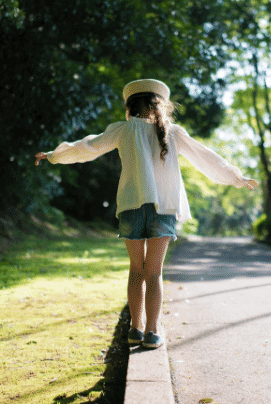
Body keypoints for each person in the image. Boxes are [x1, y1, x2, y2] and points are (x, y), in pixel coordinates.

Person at [35, 79, 258, 349]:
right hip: (164, 208)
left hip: (131, 206)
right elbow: (206, 157)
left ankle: (134, 329)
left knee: (136, 270)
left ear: (129, 106)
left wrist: (54, 155)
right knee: (154, 273)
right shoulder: (173, 132)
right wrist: (236, 177)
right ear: (160, 104)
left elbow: (87, 147)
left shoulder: (123, 130)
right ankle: (153, 332)